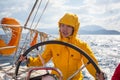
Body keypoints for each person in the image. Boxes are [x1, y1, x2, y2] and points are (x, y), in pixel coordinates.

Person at [19, 13, 104, 80]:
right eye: (62, 25)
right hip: (57, 77)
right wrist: (28, 60)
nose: (64, 29)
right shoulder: (53, 44)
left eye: (68, 26)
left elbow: (91, 65)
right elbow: (42, 60)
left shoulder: (82, 46)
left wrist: (98, 76)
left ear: (74, 29)